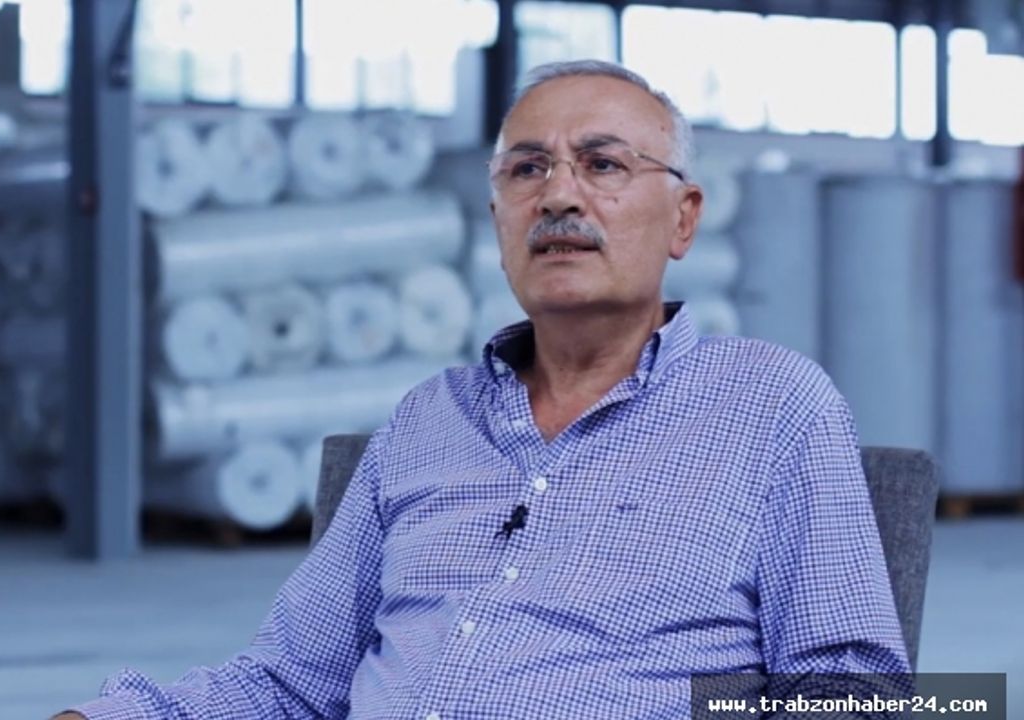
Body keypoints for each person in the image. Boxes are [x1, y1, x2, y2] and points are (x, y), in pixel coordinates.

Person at [56, 60, 909, 720]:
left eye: (602, 164)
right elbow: (290, 684)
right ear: (498, 216)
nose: (559, 194)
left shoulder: (770, 406)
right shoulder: (430, 418)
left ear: (684, 217)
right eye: (527, 169)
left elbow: (851, 688)